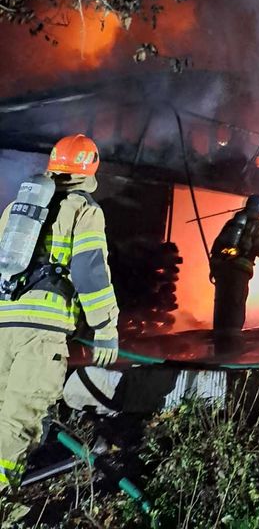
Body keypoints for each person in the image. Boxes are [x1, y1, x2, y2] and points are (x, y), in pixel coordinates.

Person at [0, 134, 118, 516]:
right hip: (41, 334)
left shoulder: (17, 207)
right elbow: (89, 268)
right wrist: (105, 327)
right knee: (18, 421)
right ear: (90, 168)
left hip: (3, 324)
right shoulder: (82, 208)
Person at [209, 194, 259, 333]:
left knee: (221, 302)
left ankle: (219, 335)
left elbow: (217, 246)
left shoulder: (231, 224)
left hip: (222, 269)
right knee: (236, 304)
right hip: (240, 270)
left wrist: (214, 269)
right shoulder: (257, 225)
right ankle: (233, 337)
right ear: (258, 208)